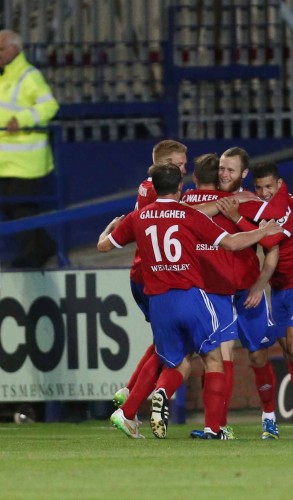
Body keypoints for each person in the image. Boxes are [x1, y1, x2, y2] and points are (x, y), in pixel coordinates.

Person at [98, 163, 283, 439]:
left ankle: (129, 413)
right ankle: (214, 429)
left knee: (176, 361)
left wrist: (108, 229)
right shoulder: (187, 214)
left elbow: (104, 246)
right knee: (213, 357)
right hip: (189, 296)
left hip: (158, 303)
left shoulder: (138, 217)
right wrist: (262, 232)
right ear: (181, 187)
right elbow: (232, 243)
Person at [219, 161, 293, 438]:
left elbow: (269, 241)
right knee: (290, 353)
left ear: (279, 184)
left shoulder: (292, 208)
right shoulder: (262, 207)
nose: (264, 191)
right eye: (259, 187)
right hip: (278, 290)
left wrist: (236, 219)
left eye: (269, 186)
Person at [182, 152, 282, 440]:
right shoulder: (199, 200)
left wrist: (261, 283)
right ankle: (218, 425)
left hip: (248, 290)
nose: (224, 174)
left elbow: (272, 243)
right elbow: (188, 218)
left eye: (231, 170)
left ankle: (269, 418)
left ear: (243, 174)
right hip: (215, 292)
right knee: (215, 357)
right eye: (222, 169)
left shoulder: (251, 202)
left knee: (258, 356)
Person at [112, 140, 188, 410]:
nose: (184, 169)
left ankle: (129, 392)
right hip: (151, 278)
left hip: (146, 275)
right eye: (179, 164)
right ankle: (130, 406)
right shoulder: (156, 191)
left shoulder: (148, 187)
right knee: (170, 348)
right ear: (165, 166)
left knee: (162, 342)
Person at [0, 29, 59, 268]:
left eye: (0, 49)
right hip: (2, 157)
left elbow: (49, 106)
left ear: (15, 49)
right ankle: (43, 246)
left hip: (25, 158)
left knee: (21, 206)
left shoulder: (29, 76)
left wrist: (23, 119)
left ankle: (32, 255)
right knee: (9, 206)